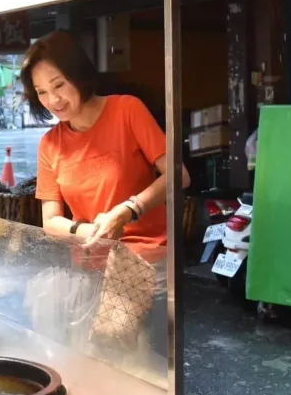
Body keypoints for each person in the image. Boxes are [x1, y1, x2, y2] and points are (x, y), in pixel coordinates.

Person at [20, 32, 190, 249]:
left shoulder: (127, 110)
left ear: (78, 75)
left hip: (147, 253)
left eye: (59, 85)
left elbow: (179, 175)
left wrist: (128, 210)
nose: (53, 100)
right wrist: (91, 231)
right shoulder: (49, 144)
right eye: (41, 92)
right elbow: (51, 221)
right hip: (90, 256)